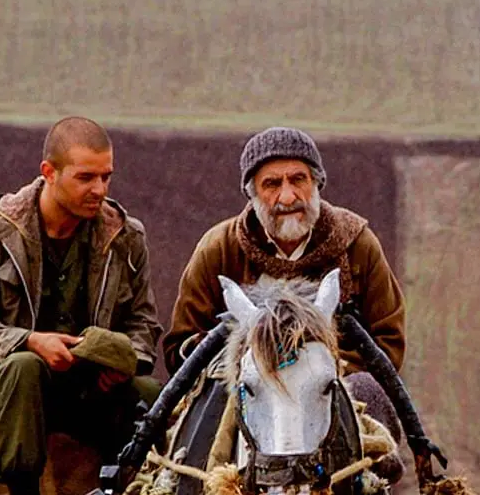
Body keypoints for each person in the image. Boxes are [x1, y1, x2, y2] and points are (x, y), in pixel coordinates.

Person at [0, 117, 161, 495]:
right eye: (85, 177)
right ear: (49, 173)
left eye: (106, 177)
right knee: (24, 368)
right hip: (7, 399)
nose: (99, 190)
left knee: (151, 395)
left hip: (88, 392)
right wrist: (30, 341)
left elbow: (143, 321)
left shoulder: (124, 236)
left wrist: (124, 361)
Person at [164, 127, 406, 381]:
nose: (288, 197)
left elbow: (389, 343)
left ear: (316, 183)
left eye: (298, 179)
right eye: (272, 184)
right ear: (252, 194)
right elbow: (179, 348)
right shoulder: (219, 249)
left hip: (338, 388)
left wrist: (318, 371)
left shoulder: (357, 245)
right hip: (243, 389)